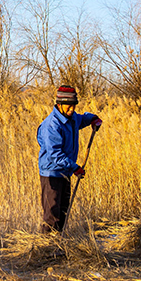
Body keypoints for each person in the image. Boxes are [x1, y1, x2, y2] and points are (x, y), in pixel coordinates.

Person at [37, 85, 103, 233]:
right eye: (69, 106)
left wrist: (92, 119)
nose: (72, 109)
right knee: (52, 216)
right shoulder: (52, 125)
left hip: (65, 173)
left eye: (74, 105)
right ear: (59, 104)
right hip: (52, 174)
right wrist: (75, 168)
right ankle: (46, 250)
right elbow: (55, 155)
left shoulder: (72, 118)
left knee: (63, 213)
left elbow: (81, 118)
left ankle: (58, 247)